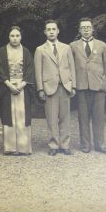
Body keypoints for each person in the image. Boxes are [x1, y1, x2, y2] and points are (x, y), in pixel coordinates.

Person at [34, 19, 76, 156]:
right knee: (52, 118)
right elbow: (38, 71)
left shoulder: (66, 47)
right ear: (45, 32)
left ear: (58, 31)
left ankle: (65, 144)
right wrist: (40, 89)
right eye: (49, 29)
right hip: (49, 87)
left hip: (64, 86)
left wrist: (73, 85)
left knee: (65, 117)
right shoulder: (40, 49)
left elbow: (72, 68)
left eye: (54, 29)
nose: (51, 32)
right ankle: (53, 145)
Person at [70, 18, 106, 154]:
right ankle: (85, 145)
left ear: (93, 29)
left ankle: (100, 144)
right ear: (79, 30)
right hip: (81, 85)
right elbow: (70, 66)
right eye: (83, 27)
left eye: (88, 27)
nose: (86, 30)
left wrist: (103, 80)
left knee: (99, 117)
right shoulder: (73, 46)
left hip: (98, 86)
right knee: (83, 117)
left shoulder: (102, 45)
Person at [0, 26, 35, 156]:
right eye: (12, 36)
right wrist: (8, 84)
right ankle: (10, 147)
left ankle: (24, 147)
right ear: (8, 37)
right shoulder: (2, 51)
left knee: (22, 116)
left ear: (21, 37)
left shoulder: (26, 51)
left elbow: (30, 70)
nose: (15, 38)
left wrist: (22, 84)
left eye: (17, 36)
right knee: (9, 116)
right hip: (7, 87)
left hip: (22, 86)